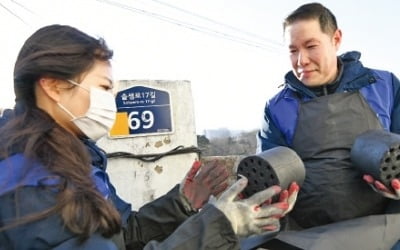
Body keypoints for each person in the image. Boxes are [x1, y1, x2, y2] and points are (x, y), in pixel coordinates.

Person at [0, 24, 292, 250]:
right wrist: (220, 226)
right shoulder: (27, 181)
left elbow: (122, 236)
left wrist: (182, 204)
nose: (110, 101)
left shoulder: (75, 158)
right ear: (53, 86)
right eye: (103, 87)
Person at [257, 2, 400, 249]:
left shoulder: (385, 86)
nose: (301, 60)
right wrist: (270, 200)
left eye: (311, 46)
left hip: (385, 232)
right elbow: (270, 175)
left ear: (336, 39)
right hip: (308, 237)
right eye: (293, 50)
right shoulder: (277, 108)